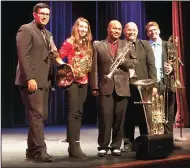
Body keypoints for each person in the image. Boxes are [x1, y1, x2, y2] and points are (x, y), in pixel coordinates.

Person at [89, 20, 135, 157]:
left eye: (119, 29)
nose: (116, 31)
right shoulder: (98, 45)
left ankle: (116, 146)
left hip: (122, 86)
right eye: (114, 28)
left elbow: (134, 62)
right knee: (105, 117)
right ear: (108, 29)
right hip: (105, 85)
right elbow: (94, 68)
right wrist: (95, 86)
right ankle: (103, 145)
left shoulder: (127, 44)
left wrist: (124, 61)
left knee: (120, 118)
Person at [15, 3, 53, 162]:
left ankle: (31, 150)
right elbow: (23, 56)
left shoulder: (47, 33)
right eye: (42, 13)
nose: (45, 16)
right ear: (34, 14)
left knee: (40, 116)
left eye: (47, 14)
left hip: (44, 81)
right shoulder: (26, 29)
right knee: (37, 115)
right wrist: (30, 77)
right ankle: (40, 150)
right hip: (31, 80)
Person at [55, 17, 93, 158]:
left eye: (85, 27)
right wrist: (66, 66)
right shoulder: (70, 42)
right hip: (72, 81)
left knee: (79, 113)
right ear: (76, 28)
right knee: (73, 113)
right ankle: (73, 146)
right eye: (80, 27)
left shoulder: (87, 43)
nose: (83, 29)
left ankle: (76, 144)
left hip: (84, 81)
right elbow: (57, 57)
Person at [145, 21, 182, 149]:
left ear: (159, 31)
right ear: (147, 33)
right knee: (154, 115)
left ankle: (168, 141)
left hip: (166, 82)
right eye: (150, 31)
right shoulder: (146, 46)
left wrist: (171, 68)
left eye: (155, 30)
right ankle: (156, 141)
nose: (153, 32)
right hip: (153, 84)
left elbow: (176, 64)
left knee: (169, 114)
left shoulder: (169, 45)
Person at [122, 22, 157, 152]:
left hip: (144, 86)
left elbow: (151, 66)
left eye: (134, 30)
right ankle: (128, 142)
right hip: (126, 85)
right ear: (125, 32)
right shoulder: (120, 45)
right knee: (128, 115)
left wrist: (153, 85)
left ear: (137, 31)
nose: (132, 32)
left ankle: (145, 140)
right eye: (129, 30)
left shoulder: (145, 44)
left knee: (144, 115)